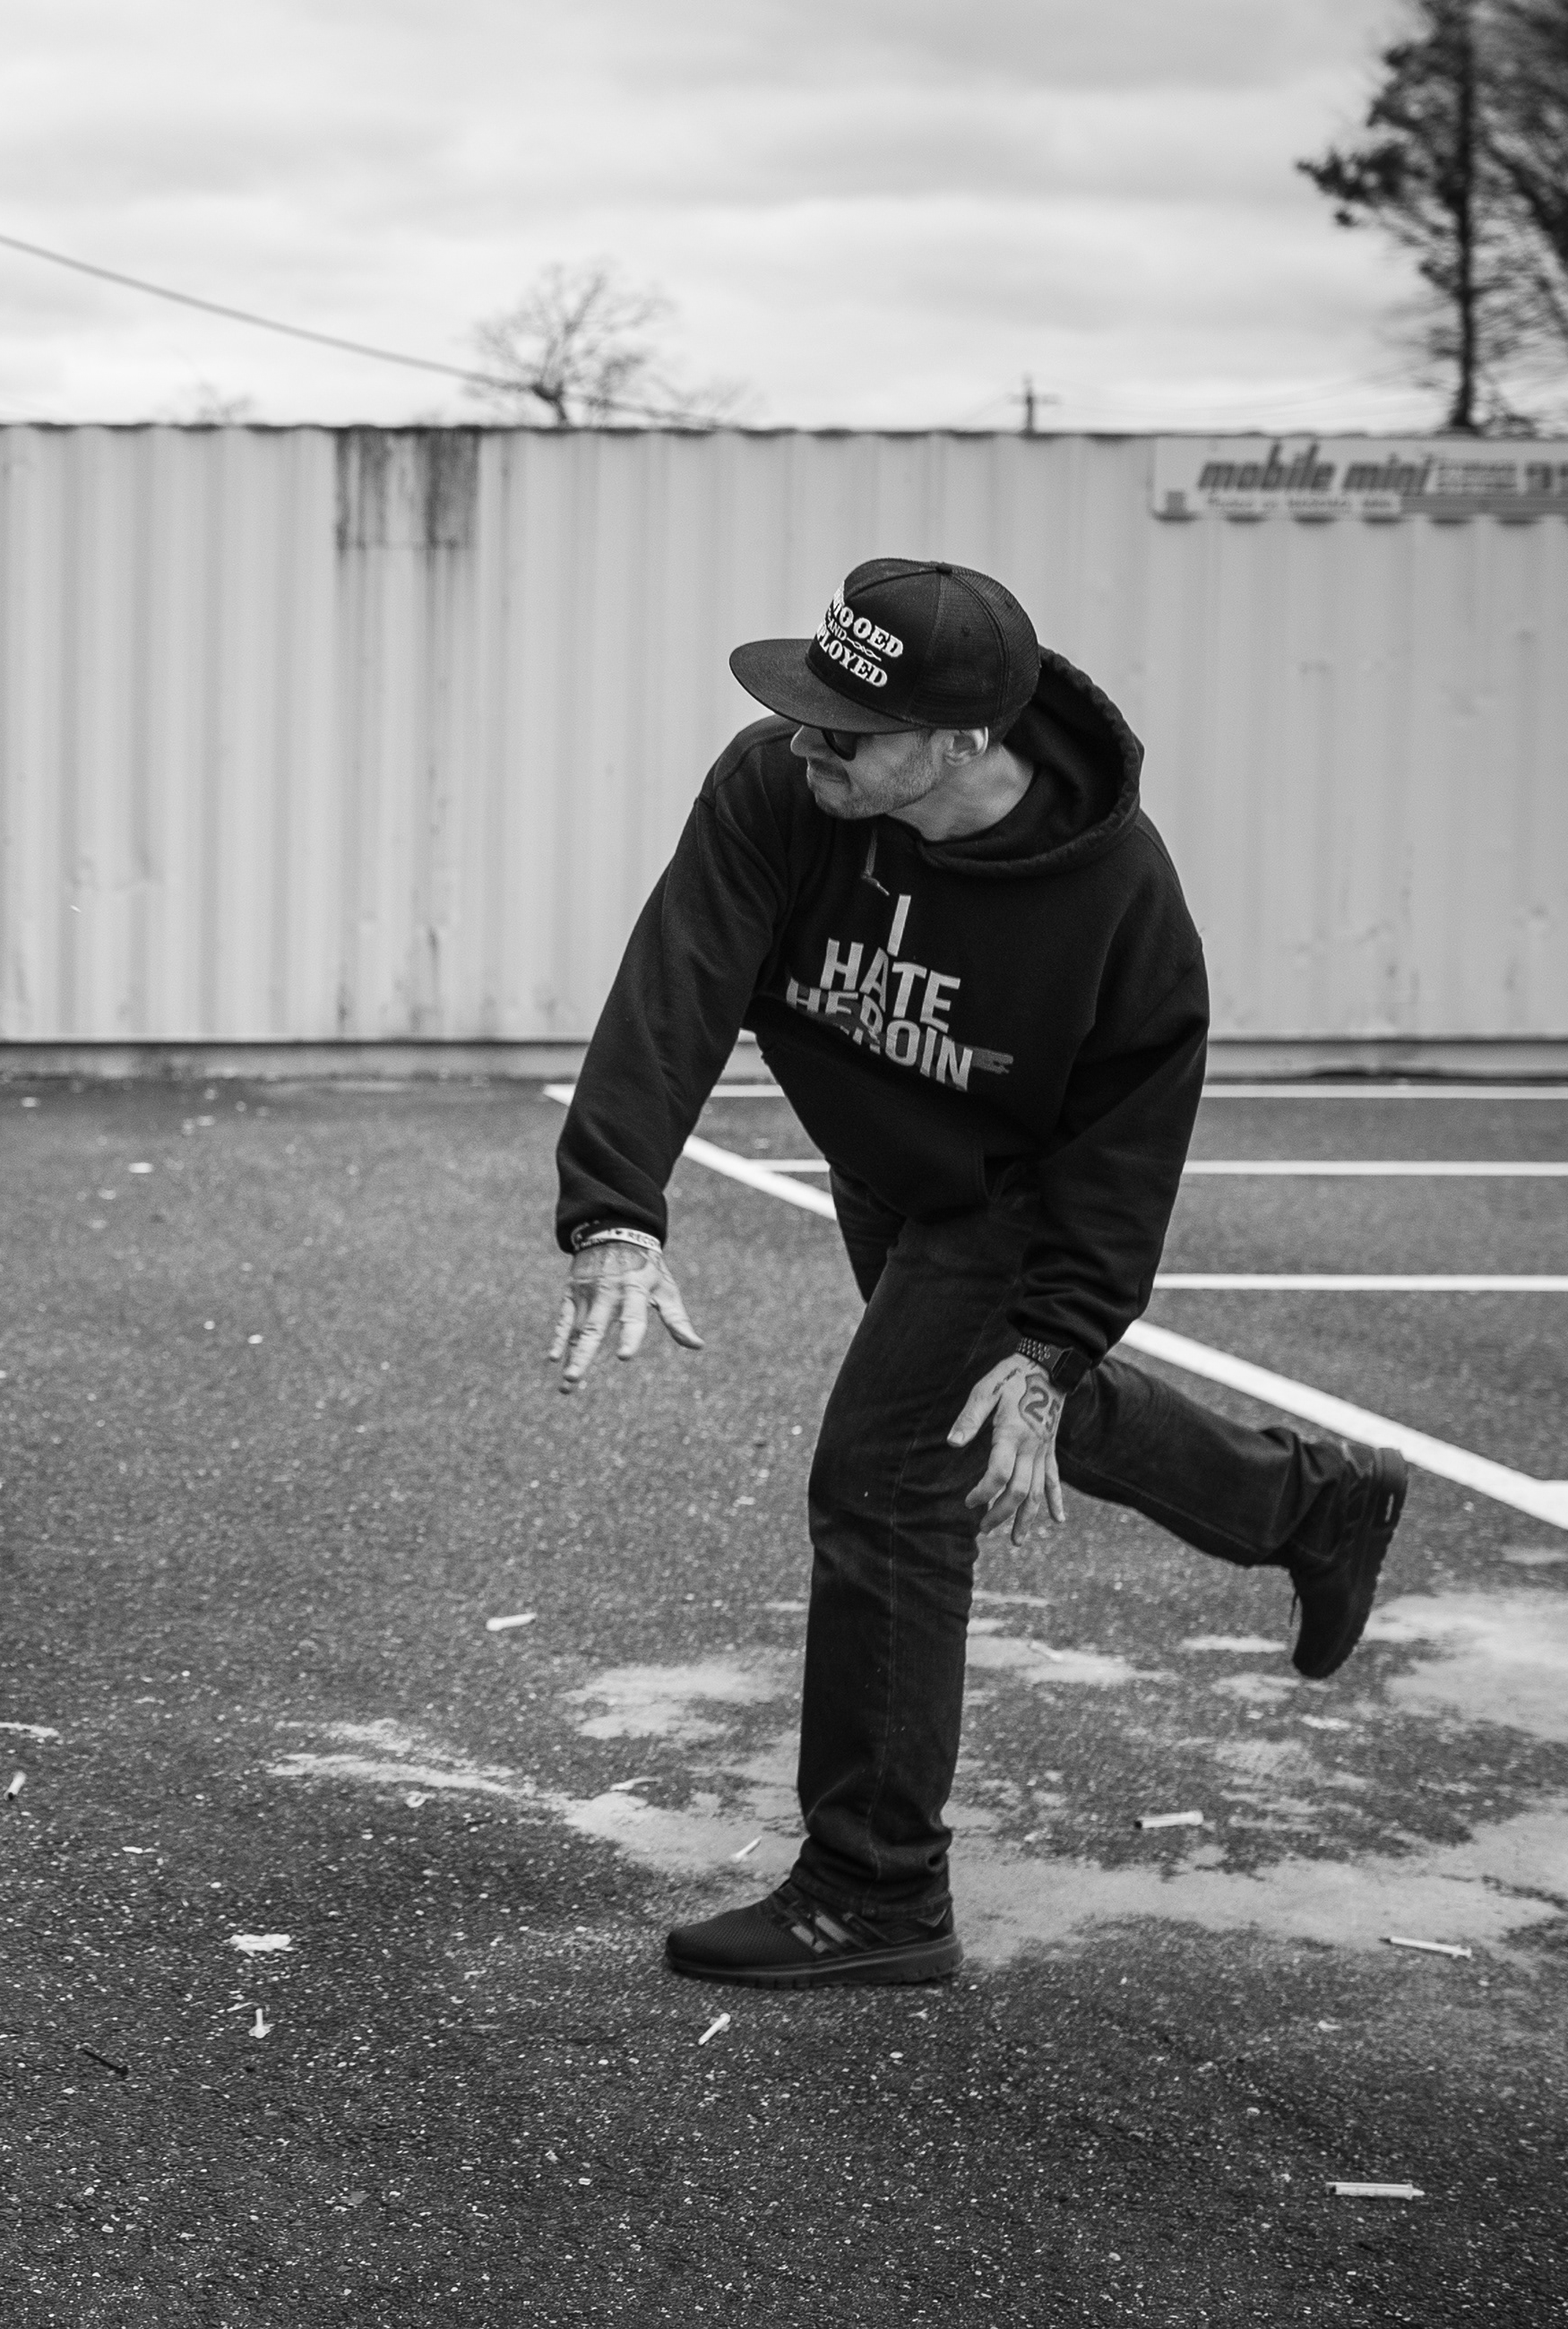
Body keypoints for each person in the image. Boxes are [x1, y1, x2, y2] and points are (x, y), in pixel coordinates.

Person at [545, 556, 1408, 1990]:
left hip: (1014, 1194)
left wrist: (1058, 1335)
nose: (807, 743)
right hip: (887, 1167)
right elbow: (679, 978)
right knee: (989, 1420)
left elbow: (1131, 1140)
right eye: (807, 712)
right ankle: (1310, 1505)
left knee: (890, 1480)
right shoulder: (776, 789)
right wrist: (616, 1208)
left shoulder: (1116, 895)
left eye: (846, 729)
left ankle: (875, 1890)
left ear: (961, 741)